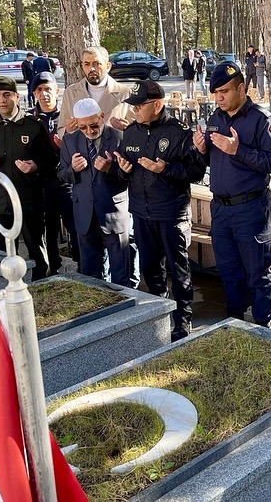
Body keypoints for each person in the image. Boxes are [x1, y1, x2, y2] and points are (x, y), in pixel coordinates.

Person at [192, 62, 271, 326]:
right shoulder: (215, 119)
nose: (219, 98)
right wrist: (201, 150)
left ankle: (264, 329)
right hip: (221, 209)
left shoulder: (261, 120)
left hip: (250, 209)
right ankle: (234, 325)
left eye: (224, 92)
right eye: (215, 93)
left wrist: (238, 150)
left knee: (257, 274)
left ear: (241, 88)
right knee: (229, 272)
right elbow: (212, 160)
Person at [115, 80, 206, 341]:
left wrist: (165, 169)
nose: (134, 110)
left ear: (156, 105)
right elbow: (123, 171)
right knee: (150, 268)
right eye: (132, 106)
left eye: (139, 106)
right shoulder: (130, 132)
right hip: (141, 212)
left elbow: (196, 172)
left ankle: (183, 319)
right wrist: (123, 170)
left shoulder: (178, 132)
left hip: (171, 212)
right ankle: (159, 315)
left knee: (178, 269)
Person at [0, 77, 58, 281]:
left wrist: (35, 165)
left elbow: (51, 158)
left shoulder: (33, 125)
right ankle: (9, 287)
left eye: (7, 95)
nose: (2, 100)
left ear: (17, 97)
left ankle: (41, 284)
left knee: (36, 249)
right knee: (3, 251)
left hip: (28, 200)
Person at [58, 98, 135, 285]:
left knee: (121, 272)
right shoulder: (69, 140)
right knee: (90, 272)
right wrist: (72, 169)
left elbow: (130, 177)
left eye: (93, 125)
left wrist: (110, 169)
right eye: (83, 127)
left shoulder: (120, 137)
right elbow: (61, 174)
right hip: (84, 214)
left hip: (113, 213)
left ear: (102, 117)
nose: (89, 131)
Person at [30, 71, 79, 275]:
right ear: (34, 93)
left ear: (57, 91)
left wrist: (64, 146)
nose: (44, 94)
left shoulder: (67, 117)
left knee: (74, 224)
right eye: (39, 90)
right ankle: (52, 266)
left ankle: (81, 264)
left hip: (67, 181)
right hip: (42, 182)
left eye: (48, 89)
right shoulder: (29, 119)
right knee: (48, 228)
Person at [58, 46, 134, 140]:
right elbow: (61, 130)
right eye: (87, 64)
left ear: (108, 66)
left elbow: (138, 130)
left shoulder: (125, 93)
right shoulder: (70, 93)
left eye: (97, 64)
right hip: (81, 148)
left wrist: (127, 129)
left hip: (114, 147)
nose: (92, 69)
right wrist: (67, 130)